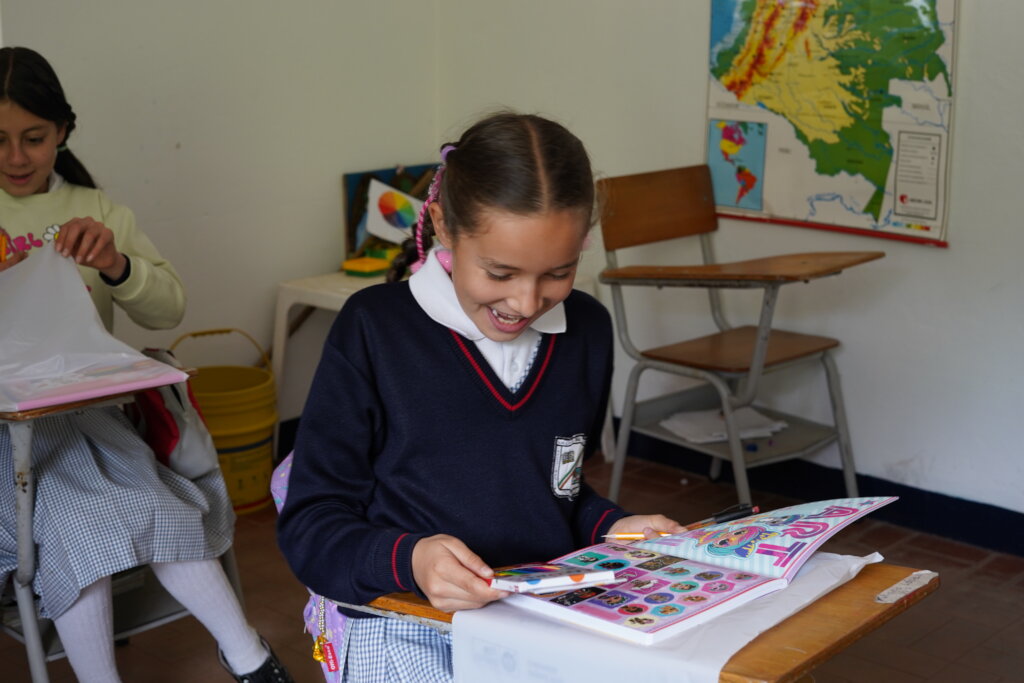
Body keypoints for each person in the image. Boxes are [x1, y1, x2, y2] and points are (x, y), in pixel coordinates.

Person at [277, 111, 684, 681]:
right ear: (444, 227)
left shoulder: (586, 330)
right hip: (407, 623)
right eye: (500, 272)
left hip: (541, 622)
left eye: (558, 273)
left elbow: (556, 491)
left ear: (583, 245)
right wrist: (412, 560)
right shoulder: (375, 329)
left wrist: (611, 527)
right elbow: (310, 528)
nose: (525, 301)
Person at [0, 46, 292, 683]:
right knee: (115, 506)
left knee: (107, 505)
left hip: (88, 413)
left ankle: (239, 655)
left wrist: (116, 264)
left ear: (62, 133)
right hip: (7, 437)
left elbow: (168, 309)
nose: (16, 158)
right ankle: (249, 655)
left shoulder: (99, 212)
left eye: (34, 138)